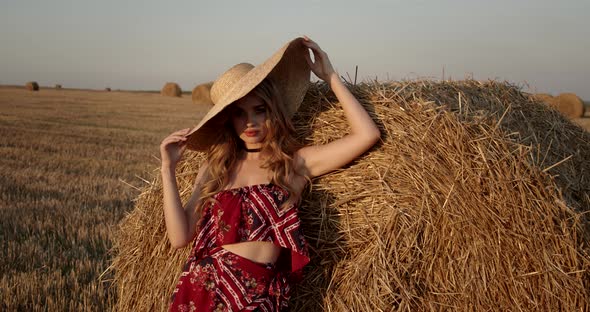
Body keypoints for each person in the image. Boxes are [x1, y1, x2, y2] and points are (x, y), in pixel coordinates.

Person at [160, 36, 380, 311]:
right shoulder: (215, 169)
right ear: (229, 119)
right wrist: (167, 169)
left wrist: (330, 76)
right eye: (240, 113)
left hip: (259, 297)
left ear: (273, 110)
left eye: (259, 110)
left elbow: (367, 135)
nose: (250, 122)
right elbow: (180, 238)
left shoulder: (294, 163)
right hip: (205, 290)